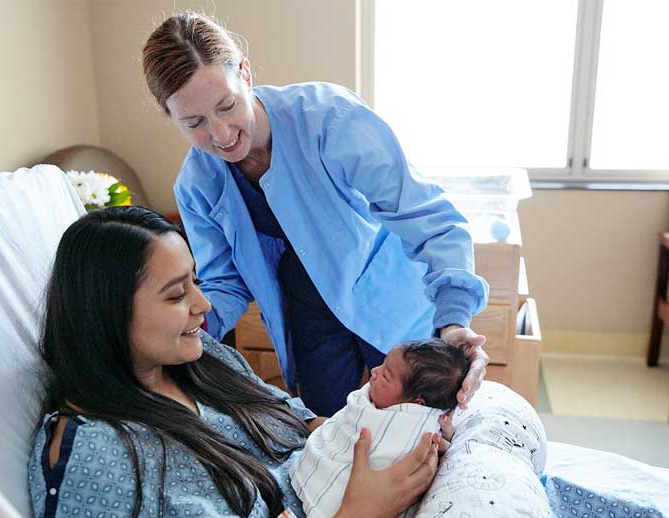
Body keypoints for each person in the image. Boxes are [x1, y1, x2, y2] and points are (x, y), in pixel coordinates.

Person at [141, 12, 491, 416]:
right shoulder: (196, 185)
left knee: (414, 423)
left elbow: (430, 221)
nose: (220, 134)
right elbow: (226, 283)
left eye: (226, 106)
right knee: (324, 431)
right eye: (195, 122)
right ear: (170, 117)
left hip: (387, 295)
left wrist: (453, 318)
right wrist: (185, 329)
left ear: (246, 74)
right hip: (306, 313)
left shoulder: (331, 120)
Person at [28, 206, 447, 518]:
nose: (203, 305)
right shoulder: (94, 457)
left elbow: (301, 421)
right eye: (177, 295)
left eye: (195, 281)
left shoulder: (203, 359)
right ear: (108, 314)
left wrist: (396, 431)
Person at [290, 338, 470, 518]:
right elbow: (343, 427)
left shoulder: (419, 429)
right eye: (383, 365)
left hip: (334, 511)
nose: (374, 371)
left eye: (386, 375)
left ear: (416, 404)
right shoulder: (370, 400)